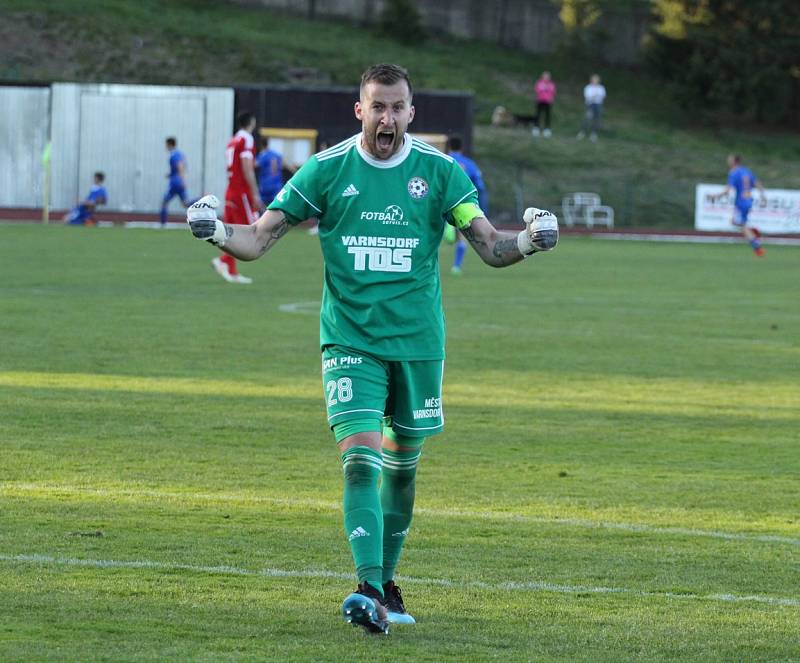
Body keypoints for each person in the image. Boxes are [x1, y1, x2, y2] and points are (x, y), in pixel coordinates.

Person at [186, 63, 558, 635]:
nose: (387, 117)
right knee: (361, 460)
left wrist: (530, 241)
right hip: (350, 340)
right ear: (359, 110)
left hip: (417, 344)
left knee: (403, 470)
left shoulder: (440, 174)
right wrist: (215, 230)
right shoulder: (327, 170)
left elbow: (487, 245)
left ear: (412, 113)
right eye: (377, 107)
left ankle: (386, 582)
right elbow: (258, 239)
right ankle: (366, 587)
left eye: (397, 107)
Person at [212, 111, 264, 284]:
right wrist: (255, 192)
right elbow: (247, 167)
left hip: (231, 190)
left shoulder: (233, 140)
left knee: (232, 230)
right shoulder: (247, 139)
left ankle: (231, 269)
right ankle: (225, 261)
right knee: (249, 230)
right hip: (241, 191)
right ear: (251, 122)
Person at [446, 135, 488, 275]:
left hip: (438, 205)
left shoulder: (442, 161)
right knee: (461, 237)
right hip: (460, 206)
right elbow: (480, 186)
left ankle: (446, 229)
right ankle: (456, 266)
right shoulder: (469, 164)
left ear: (449, 147)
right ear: (461, 148)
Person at [710, 154, 767, 257]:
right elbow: (757, 183)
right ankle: (754, 237)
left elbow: (727, 190)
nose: (728, 161)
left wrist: (715, 196)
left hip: (741, 202)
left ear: (734, 161)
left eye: (729, 160)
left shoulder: (733, 172)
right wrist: (763, 196)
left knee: (739, 224)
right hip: (749, 200)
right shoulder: (747, 171)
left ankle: (756, 244)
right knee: (739, 223)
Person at [160, 137, 194, 227]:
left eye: (166, 144)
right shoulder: (178, 153)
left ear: (170, 144)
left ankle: (163, 224)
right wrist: (170, 174)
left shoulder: (174, 154)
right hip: (178, 180)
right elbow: (178, 167)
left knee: (164, 201)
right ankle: (201, 200)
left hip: (176, 182)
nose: (165, 146)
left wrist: (182, 180)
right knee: (186, 203)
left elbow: (180, 166)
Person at [255, 136, 284, 206]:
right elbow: (285, 163)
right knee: (276, 206)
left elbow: (255, 164)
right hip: (277, 185)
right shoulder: (276, 154)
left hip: (265, 185)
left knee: (263, 207)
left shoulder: (262, 155)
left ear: (261, 145)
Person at [577, 74, 606, 141]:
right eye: (594, 79)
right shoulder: (588, 87)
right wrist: (596, 95)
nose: (595, 81)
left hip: (598, 105)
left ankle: (594, 134)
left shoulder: (601, 88)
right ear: (591, 80)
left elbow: (602, 96)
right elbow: (588, 96)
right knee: (587, 118)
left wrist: (594, 95)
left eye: (596, 79)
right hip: (590, 105)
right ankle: (582, 132)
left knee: (596, 119)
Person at [532, 71, 556, 138]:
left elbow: (552, 92)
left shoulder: (551, 84)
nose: (546, 77)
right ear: (542, 76)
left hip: (548, 102)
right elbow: (537, 90)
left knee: (547, 116)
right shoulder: (539, 83)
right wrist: (545, 89)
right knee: (538, 115)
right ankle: (536, 128)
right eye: (545, 76)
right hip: (540, 100)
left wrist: (546, 90)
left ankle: (547, 130)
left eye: (548, 76)